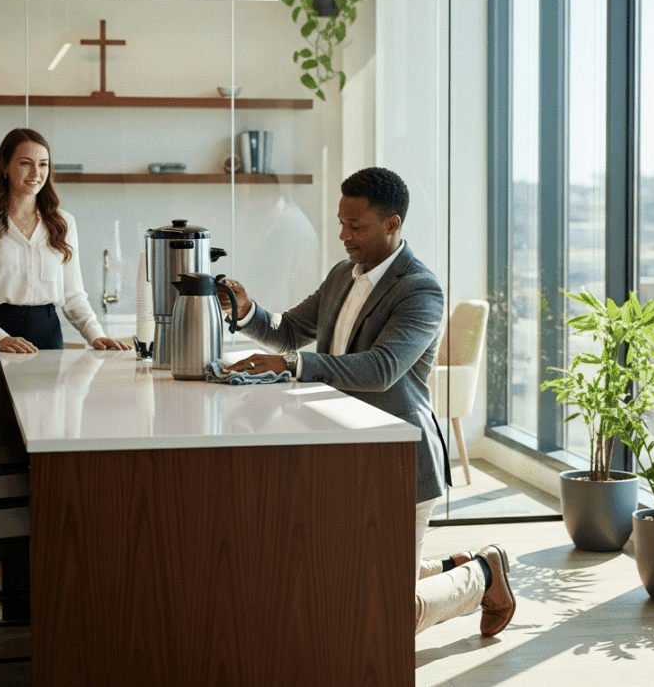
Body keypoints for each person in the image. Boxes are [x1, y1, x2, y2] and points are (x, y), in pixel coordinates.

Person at [219, 167, 515, 637]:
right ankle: (461, 564)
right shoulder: (342, 275)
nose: (343, 235)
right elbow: (291, 331)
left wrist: (293, 367)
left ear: (392, 224)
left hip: (398, 456)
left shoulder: (420, 289)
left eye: (356, 226)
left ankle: (482, 576)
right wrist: (247, 311)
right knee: (349, 579)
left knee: (387, 614)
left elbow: (381, 369)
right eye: (341, 222)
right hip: (339, 447)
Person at [0, 127, 130, 592]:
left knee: (41, 453)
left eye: (44, 164)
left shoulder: (61, 222)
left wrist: (96, 335)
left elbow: (74, 296)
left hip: (45, 340)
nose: (36, 173)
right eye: (27, 163)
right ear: (6, 166)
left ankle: (39, 560)